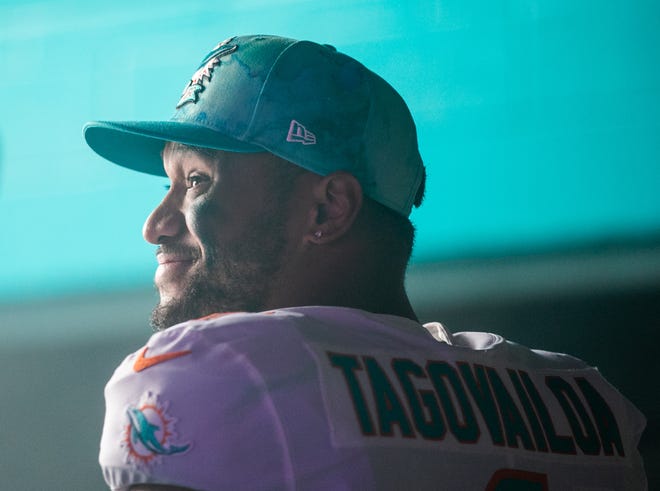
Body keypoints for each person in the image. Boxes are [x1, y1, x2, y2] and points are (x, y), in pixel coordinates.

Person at [84, 35, 647, 490]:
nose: (155, 224)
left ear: (328, 208)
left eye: (197, 182)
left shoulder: (212, 373)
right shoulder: (588, 402)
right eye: (169, 184)